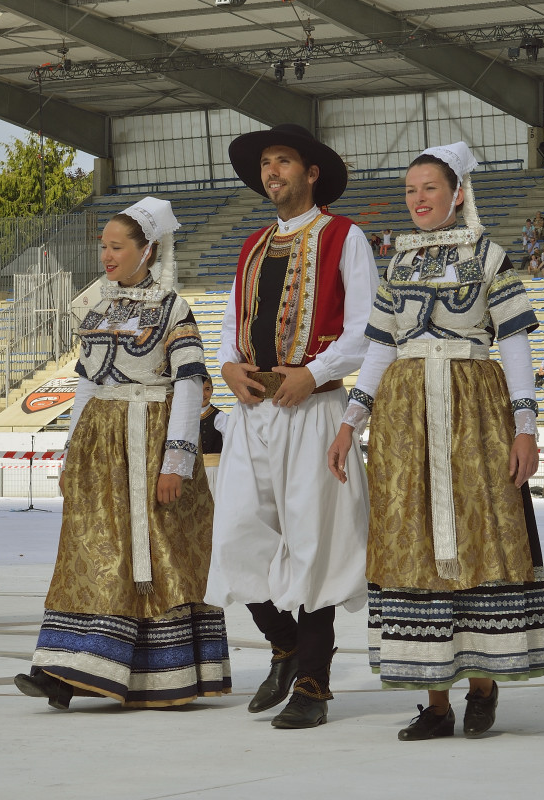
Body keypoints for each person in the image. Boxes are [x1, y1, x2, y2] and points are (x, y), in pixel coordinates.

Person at [328, 141, 544, 741]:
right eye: (410, 190)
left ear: (457, 194)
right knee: (413, 544)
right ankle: (435, 703)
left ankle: (482, 684)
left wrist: (526, 428)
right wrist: (351, 421)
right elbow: (380, 349)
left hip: (474, 413)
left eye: (430, 188)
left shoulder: (490, 256)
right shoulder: (397, 264)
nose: (418, 199)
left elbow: (515, 345)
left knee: (479, 533)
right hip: (405, 420)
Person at [15, 197, 230, 710]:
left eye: (116, 247)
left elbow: (189, 384)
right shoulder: (97, 307)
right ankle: (64, 670)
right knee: (89, 552)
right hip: (100, 445)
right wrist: (72, 453)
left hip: (150, 439)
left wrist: (176, 460)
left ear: (146, 250)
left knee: (156, 554)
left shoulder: (173, 308)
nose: (106, 256)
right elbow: (87, 384)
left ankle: (160, 673)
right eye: (104, 247)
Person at [206, 124, 376, 730]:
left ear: (311, 173)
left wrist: (316, 372)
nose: (271, 172)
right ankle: (284, 647)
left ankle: (313, 683)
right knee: (234, 536)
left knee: (312, 542)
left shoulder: (344, 236)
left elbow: (367, 330)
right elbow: (231, 327)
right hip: (253, 413)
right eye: (265, 164)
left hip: (314, 409)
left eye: (283, 161)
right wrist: (228, 367)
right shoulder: (253, 245)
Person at [199, 375, 228, 495]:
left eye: (207, 389)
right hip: (194, 470)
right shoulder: (188, 417)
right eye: (199, 390)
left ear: (212, 390)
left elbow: (230, 442)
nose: (203, 394)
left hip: (214, 470)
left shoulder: (219, 417)